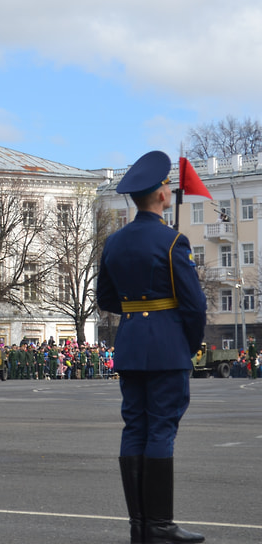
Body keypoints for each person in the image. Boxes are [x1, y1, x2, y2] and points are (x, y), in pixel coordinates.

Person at [97, 150, 207, 544]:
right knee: (161, 429)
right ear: (160, 196)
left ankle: (140, 526)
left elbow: (105, 298)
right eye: (166, 184)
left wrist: (137, 308)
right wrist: (187, 345)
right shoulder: (173, 240)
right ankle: (160, 525)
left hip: (129, 344)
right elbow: (194, 305)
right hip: (166, 347)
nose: (168, 188)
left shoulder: (114, 242)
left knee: (136, 428)